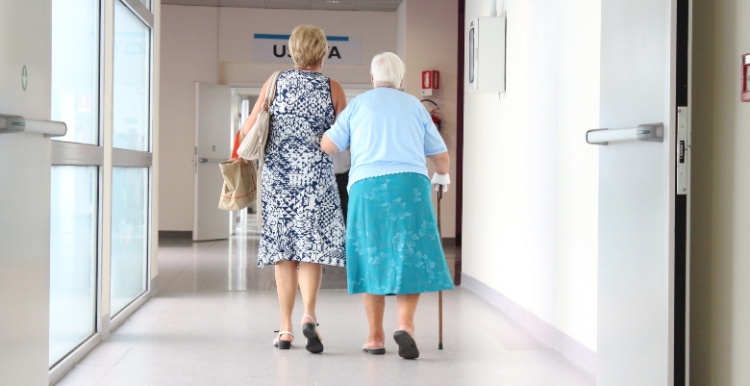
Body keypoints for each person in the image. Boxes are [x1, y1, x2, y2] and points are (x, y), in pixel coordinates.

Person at [321, 52, 454, 359]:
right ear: (401, 80)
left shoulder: (358, 105)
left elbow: (329, 145)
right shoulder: (414, 106)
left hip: (367, 189)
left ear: (372, 78)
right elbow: (441, 156)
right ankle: (405, 326)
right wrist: (442, 176)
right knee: (409, 254)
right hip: (411, 186)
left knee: (371, 255)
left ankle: (374, 338)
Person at [241, 25, 347, 353]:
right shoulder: (333, 88)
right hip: (315, 180)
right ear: (323, 52)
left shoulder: (275, 82)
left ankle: (285, 328)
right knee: (311, 252)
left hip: (278, 181)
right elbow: (342, 139)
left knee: (283, 254)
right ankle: (309, 316)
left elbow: (248, 128)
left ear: (292, 51)